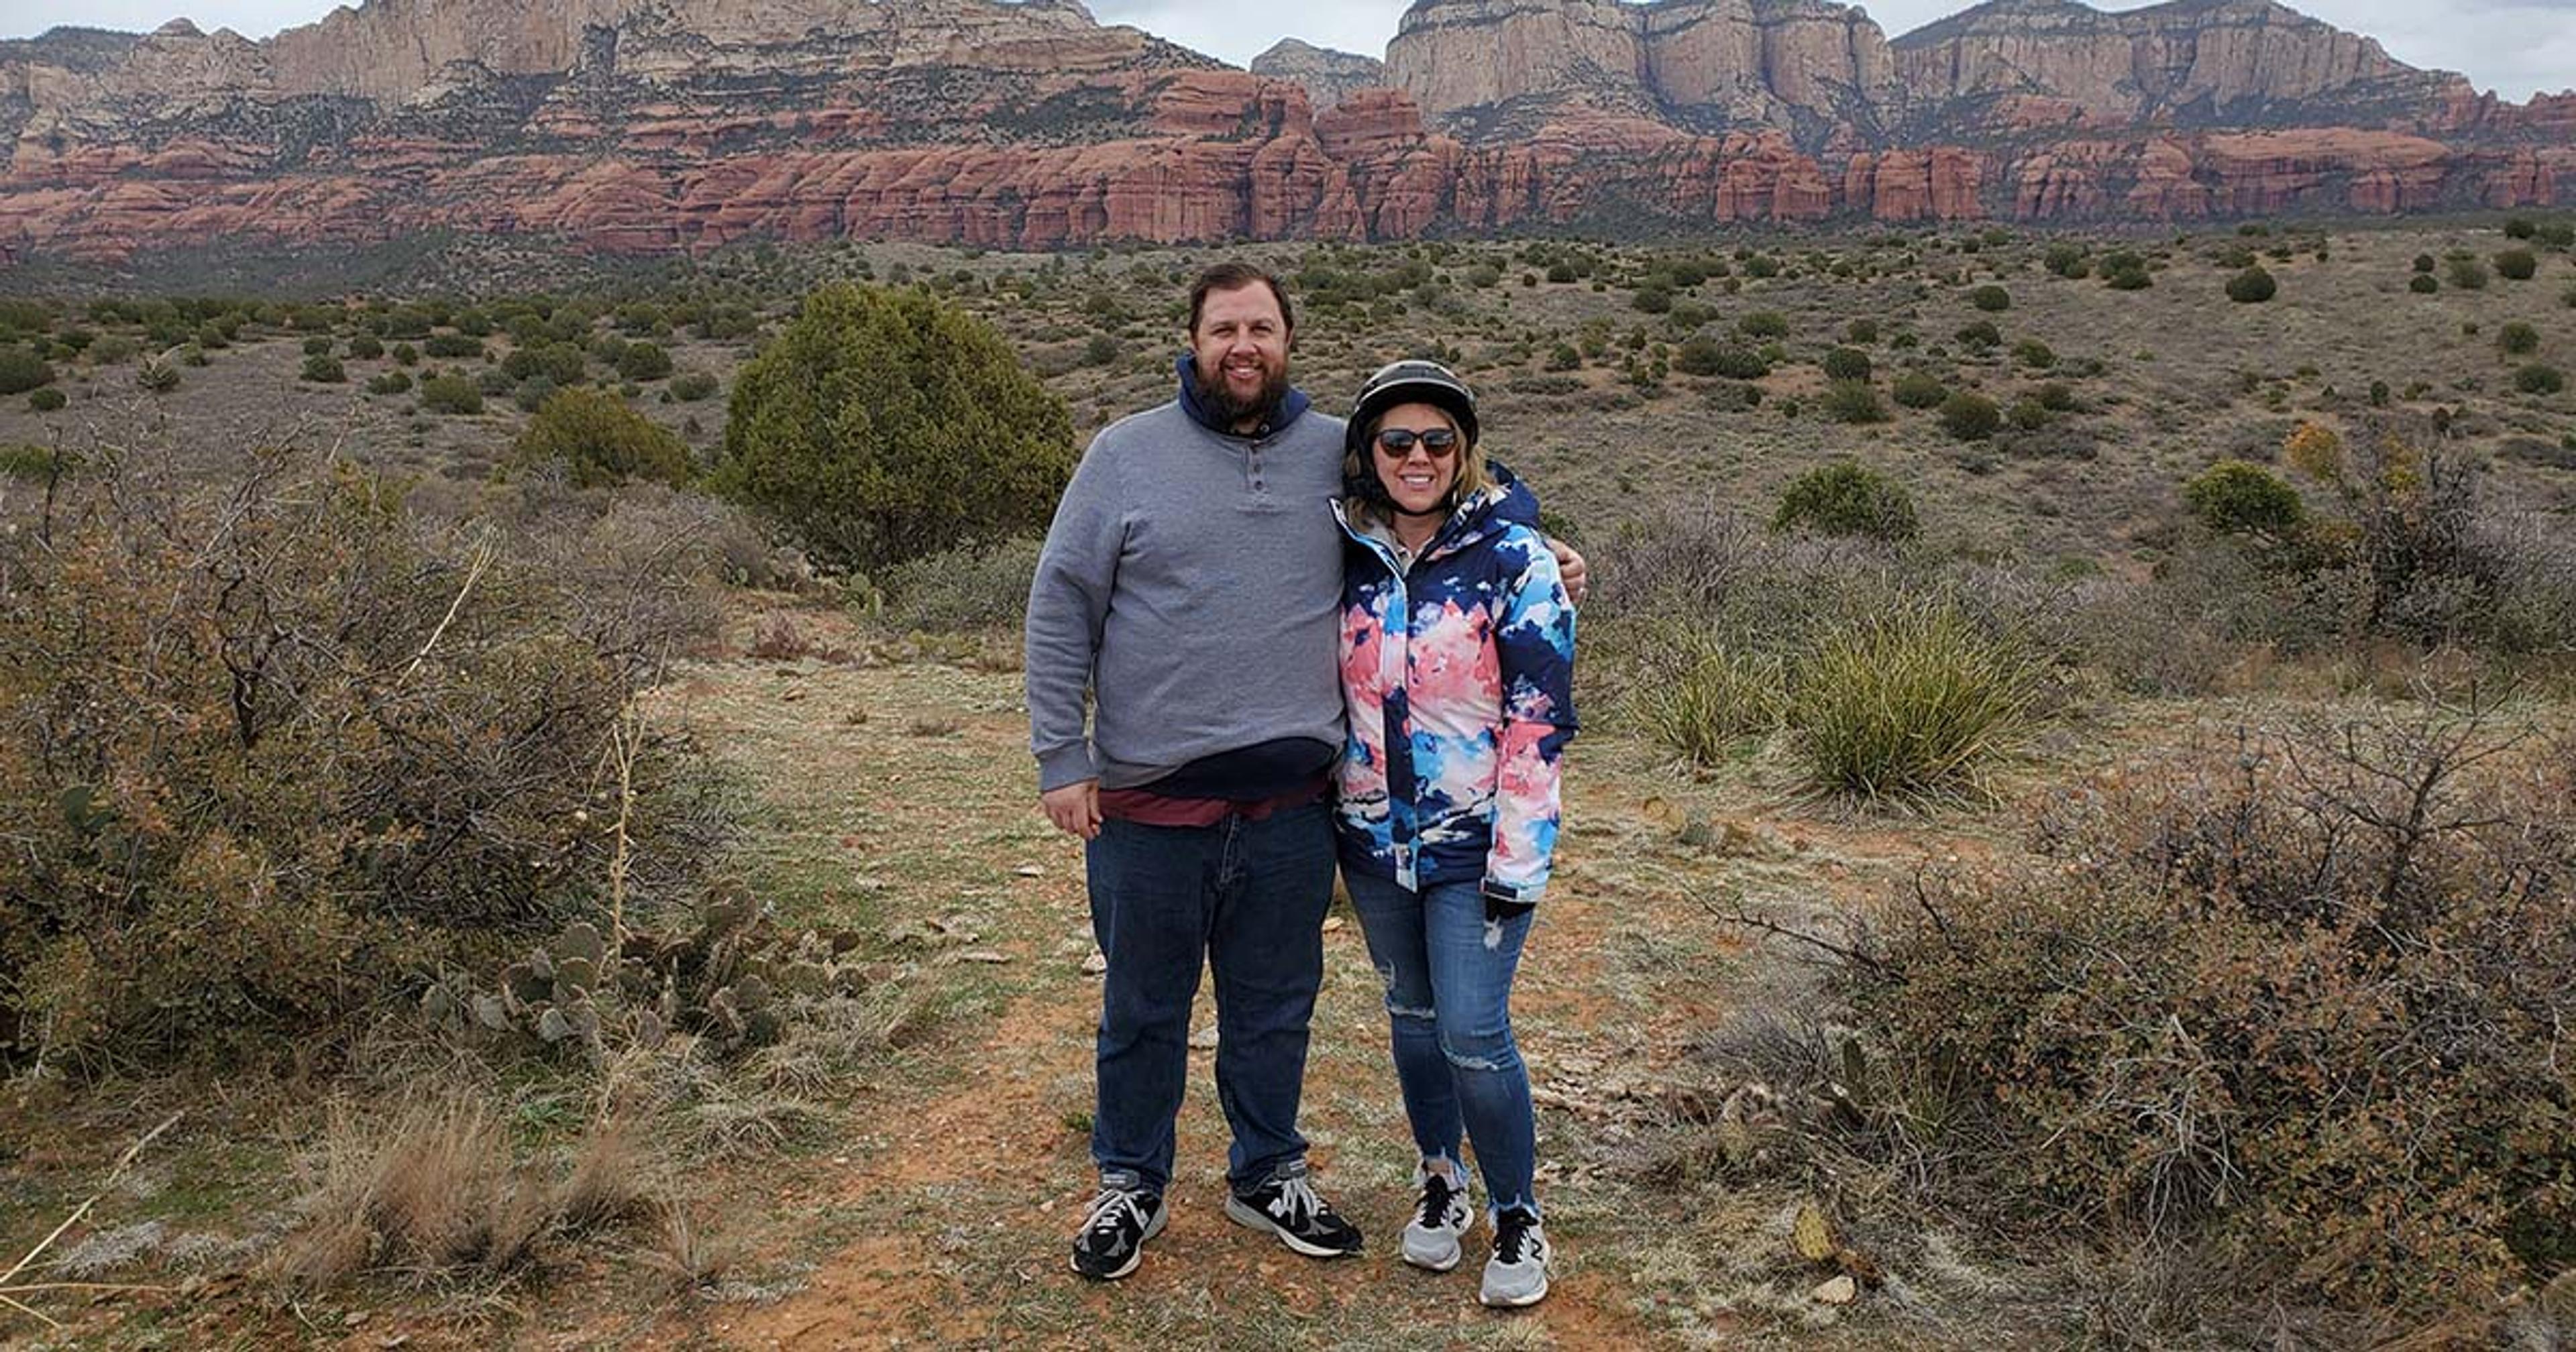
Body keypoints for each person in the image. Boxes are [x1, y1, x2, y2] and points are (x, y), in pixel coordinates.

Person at [1024, 266, 1585, 1283]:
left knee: (1276, 1003)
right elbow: (1061, 605)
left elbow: (1458, 492)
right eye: (1225, 328)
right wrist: (1063, 757)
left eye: (1264, 328)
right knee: (1144, 1006)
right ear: (1192, 340)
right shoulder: (1123, 456)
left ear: (1289, 341)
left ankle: (1265, 1173)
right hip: (1151, 802)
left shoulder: (1338, 449)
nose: (1245, 346)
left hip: (1294, 808)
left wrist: (1538, 548)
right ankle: (1130, 1184)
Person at [1330, 361, 1576, 1308]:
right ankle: (1443, 1183)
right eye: (1398, 442)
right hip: (1373, 842)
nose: (1418, 457)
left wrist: (1520, 858)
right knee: (1415, 1024)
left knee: (1475, 1033)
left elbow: (1539, 720)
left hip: (1478, 845)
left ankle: (1519, 1213)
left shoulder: (1513, 559)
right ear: (1371, 454)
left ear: (1464, 451)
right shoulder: (1345, 552)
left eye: (1438, 440)